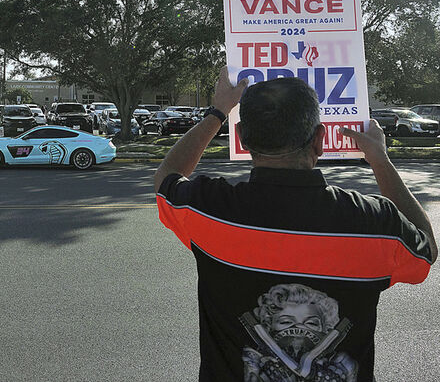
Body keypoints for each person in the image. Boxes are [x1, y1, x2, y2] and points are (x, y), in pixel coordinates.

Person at [154, 67, 437, 382]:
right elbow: (425, 248)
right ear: (319, 140)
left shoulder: (210, 209)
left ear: (241, 139)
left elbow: (166, 177)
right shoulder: (374, 223)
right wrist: (380, 160)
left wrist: (218, 111)